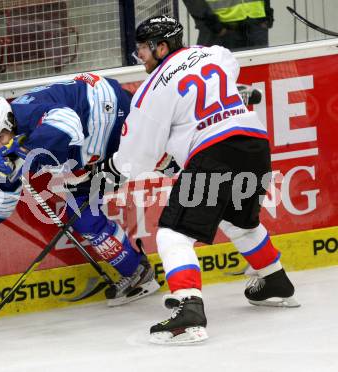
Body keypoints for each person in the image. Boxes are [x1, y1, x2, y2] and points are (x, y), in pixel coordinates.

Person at [97, 15, 299, 345]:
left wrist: (110, 171)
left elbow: (139, 155)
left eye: (143, 51)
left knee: (173, 235)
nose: (140, 58)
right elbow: (228, 72)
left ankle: (188, 311)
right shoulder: (213, 53)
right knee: (239, 222)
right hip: (254, 145)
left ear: (161, 47)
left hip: (215, 153)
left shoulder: (153, 88)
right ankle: (276, 283)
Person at [0, 73, 160, 306]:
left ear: (10, 121)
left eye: (1, 137)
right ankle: (136, 271)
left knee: (164, 158)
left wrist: (23, 152)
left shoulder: (27, 113)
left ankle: (174, 167)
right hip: (90, 139)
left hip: (110, 112)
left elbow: (68, 123)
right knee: (81, 215)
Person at [182, 0, 274, 51]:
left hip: (256, 25)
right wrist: (214, 24)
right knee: (221, 79)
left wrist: (267, 13)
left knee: (259, 76)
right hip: (223, 30)